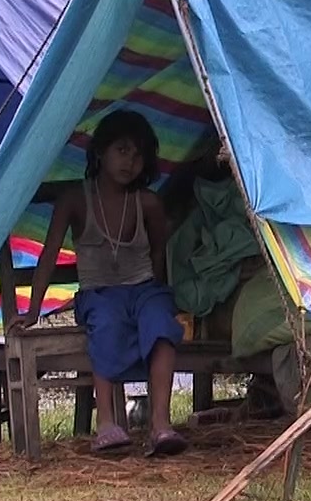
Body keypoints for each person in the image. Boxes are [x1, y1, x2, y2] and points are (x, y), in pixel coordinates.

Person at [10, 109, 187, 456]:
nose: (130, 162)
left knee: (161, 327)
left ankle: (161, 425)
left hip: (144, 289)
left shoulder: (147, 203)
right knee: (104, 326)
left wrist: (161, 299)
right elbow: (47, 255)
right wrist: (33, 311)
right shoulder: (75, 200)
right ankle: (106, 422)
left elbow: (158, 255)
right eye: (122, 151)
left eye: (138, 156)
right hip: (99, 294)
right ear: (100, 152)